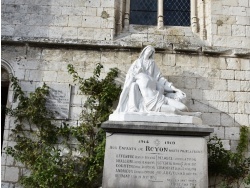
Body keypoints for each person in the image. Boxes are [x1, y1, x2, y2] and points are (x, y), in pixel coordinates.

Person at [115, 45, 200, 117]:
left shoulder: (152, 65)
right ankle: (190, 115)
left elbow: (160, 79)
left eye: (151, 52)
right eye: (148, 50)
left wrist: (175, 89)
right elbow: (126, 89)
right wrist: (119, 106)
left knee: (183, 107)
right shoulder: (136, 75)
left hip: (160, 97)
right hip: (151, 102)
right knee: (173, 110)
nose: (149, 52)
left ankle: (189, 113)